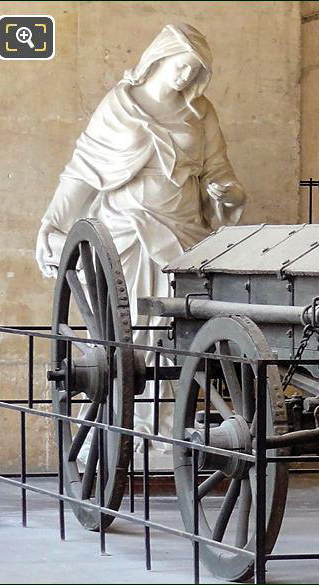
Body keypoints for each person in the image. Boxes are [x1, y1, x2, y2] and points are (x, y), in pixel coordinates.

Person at [35, 23, 246, 450]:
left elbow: (222, 177)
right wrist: (53, 224)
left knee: (175, 334)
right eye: (181, 65)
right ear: (160, 57)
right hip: (126, 235)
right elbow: (83, 172)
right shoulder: (120, 106)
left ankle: (169, 433)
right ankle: (117, 433)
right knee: (126, 334)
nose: (185, 76)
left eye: (195, 70)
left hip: (184, 236)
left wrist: (228, 195)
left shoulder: (201, 114)